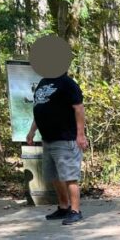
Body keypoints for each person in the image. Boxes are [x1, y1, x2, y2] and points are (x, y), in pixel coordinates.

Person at [25, 37, 88, 225]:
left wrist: (80, 135)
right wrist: (31, 132)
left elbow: (79, 108)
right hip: (48, 139)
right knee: (53, 176)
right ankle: (63, 207)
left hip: (66, 138)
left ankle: (75, 210)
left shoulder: (68, 83)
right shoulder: (43, 82)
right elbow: (39, 109)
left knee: (69, 176)